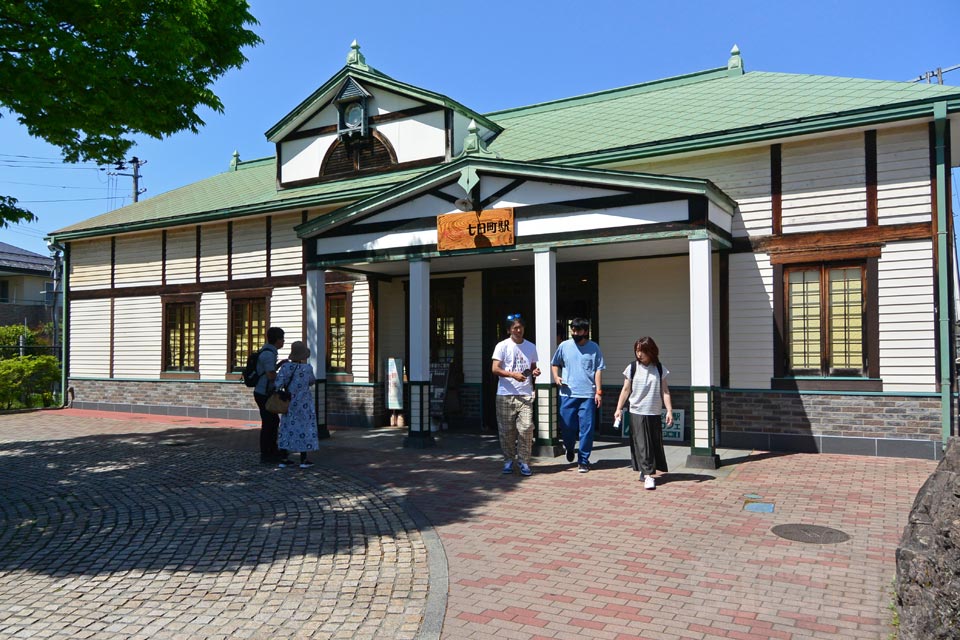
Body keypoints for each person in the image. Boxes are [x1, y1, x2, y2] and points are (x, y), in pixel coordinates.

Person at [614, 336, 673, 490]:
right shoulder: (632, 367)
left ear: (651, 351)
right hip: (637, 411)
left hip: (654, 411)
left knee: (652, 443)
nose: (639, 354)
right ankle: (648, 475)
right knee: (642, 443)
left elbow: (665, 391)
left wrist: (669, 411)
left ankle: (644, 470)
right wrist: (619, 408)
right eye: (637, 351)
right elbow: (626, 389)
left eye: (642, 351)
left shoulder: (660, 369)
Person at [551, 318, 605, 473]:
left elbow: (598, 370)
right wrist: (556, 377)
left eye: (578, 330)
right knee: (567, 427)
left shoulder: (594, 348)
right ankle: (569, 447)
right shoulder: (564, 346)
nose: (575, 333)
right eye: (573, 330)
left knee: (586, 429)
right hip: (567, 393)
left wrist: (599, 392)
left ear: (586, 332)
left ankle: (583, 460)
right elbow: (555, 363)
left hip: (588, 394)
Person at [491, 314, 540, 477]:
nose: (518, 330)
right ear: (509, 330)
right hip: (505, 394)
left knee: (526, 428)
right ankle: (509, 460)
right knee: (507, 430)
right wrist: (513, 375)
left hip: (525, 393)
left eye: (520, 327)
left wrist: (535, 372)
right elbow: (495, 369)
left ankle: (524, 461)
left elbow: (532, 367)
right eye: (515, 328)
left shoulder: (531, 347)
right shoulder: (502, 346)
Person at [274, 341, 319, 468]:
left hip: (289, 402)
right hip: (304, 403)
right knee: (304, 428)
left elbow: (278, 384)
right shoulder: (307, 368)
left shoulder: (285, 368)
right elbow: (311, 382)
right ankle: (303, 459)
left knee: (287, 427)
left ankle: (284, 458)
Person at [254, 326, 287, 464]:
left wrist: (279, 364)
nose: (283, 342)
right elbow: (270, 375)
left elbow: (268, 370)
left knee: (272, 422)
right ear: (277, 340)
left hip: (263, 392)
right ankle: (267, 453)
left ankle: (271, 450)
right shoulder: (268, 354)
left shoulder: (268, 351)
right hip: (263, 393)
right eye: (282, 339)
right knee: (270, 423)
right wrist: (284, 377)